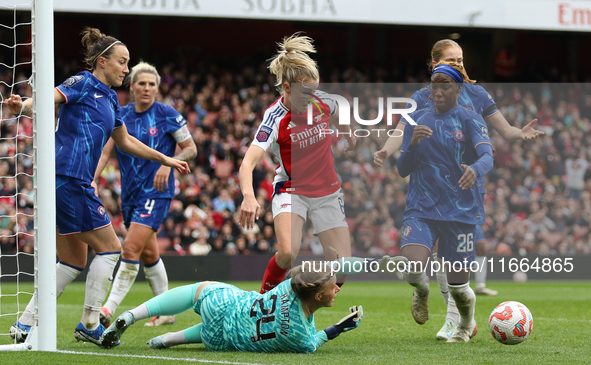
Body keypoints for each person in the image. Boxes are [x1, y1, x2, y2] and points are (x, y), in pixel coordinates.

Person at [6, 28, 190, 346]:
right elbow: (48, 98)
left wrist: (167, 158)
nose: (126, 68)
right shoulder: (82, 83)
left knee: (73, 261)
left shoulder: (110, 100)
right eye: (122, 62)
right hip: (70, 178)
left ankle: (25, 323)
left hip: (62, 182)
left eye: (128, 62)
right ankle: (90, 322)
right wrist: (23, 105)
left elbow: (126, 141)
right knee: (111, 249)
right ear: (102, 62)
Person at [374, 39, 544, 340]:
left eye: (461, 59)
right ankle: (448, 313)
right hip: (427, 191)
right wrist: (387, 151)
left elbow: (503, 131)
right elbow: (402, 132)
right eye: (451, 60)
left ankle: (457, 320)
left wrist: (519, 133)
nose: (459, 65)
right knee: (433, 256)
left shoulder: (476, 95)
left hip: (465, 191)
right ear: (434, 64)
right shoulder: (422, 98)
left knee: (450, 263)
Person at [238, 33, 356, 294]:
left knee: (343, 269)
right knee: (288, 252)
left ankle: (304, 308)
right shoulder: (274, 117)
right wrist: (248, 196)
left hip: (327, 190)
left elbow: (340, 115)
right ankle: (261, 304)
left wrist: (349, 137)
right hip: (292, 190)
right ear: (288, 88)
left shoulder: (323, 100)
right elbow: (247, 163)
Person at [100, 257, 403, 352]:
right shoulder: (301, 338)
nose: (337, 290)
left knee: (197, 289)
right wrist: (339, 328)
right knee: (218, 330)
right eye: (333, 288)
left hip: (223, 305)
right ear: (319, 297)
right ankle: (169, 340)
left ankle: (131, 315)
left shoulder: (290, 285)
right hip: (222, 341)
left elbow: (322, 274)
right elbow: (317, 338)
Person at [94, 62, 197, 328]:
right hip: (129, 194)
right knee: (149, 254)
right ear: (132, 86)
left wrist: (168, 162)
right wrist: (93, 180)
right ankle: (167, 312)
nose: (147, 88)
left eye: (152, 84)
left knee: (129, 247)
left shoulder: (167, 114)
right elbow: (106, 151)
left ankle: (107, 309)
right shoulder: (121, 114)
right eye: (142, 83)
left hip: (157, 192)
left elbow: (190, 148)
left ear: (157, 88)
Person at [396, 62, 494, 343]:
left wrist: (475, 169)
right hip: (422, 207)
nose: (438, 91)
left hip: (460, 211)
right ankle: (422, 291)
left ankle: (465, 324)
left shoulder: (470, 119)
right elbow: (402, 169)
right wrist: (412, 144)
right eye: (434, 84)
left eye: (445, 85)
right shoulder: (417, 121)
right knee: (412, 265)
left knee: (459, 287)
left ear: (458, 89)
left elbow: (487, 155)